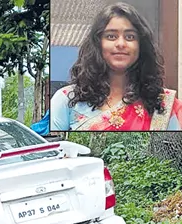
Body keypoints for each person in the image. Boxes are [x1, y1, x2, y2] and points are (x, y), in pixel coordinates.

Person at [50, 2, 182, 131]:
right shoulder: (66, 100)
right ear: (98, 44)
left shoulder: (163, 105)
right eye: (111, 36)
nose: (120, 44)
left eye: (130, 37)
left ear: (141, 46)